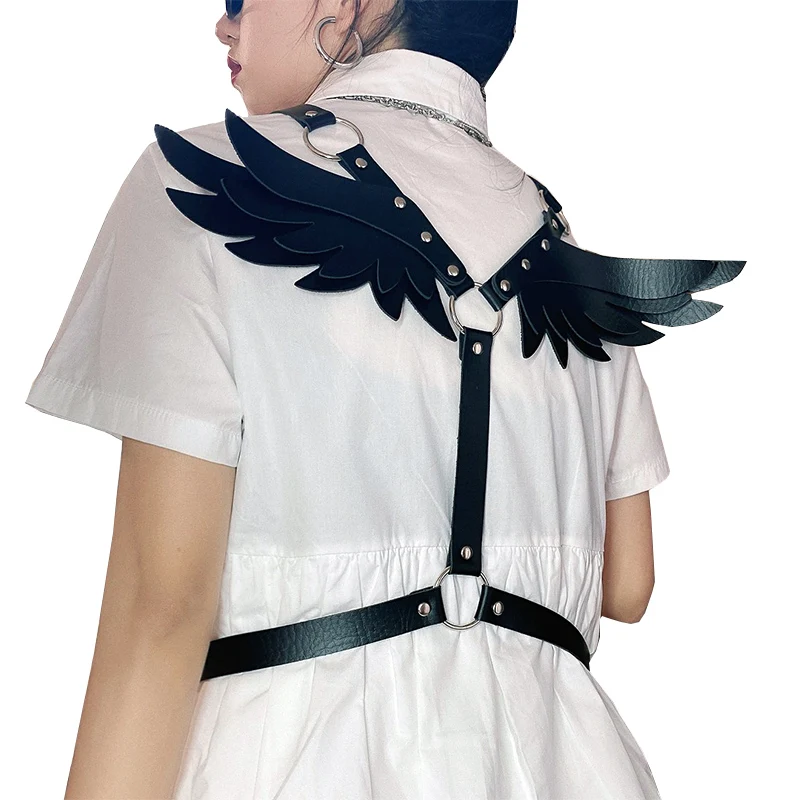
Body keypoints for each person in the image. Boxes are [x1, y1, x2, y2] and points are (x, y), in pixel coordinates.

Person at [25, 1, 732, 798]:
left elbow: (162, 605)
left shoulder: (199, 177)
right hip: (564, 764)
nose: (224, 23)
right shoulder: (560, 240)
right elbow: (628, 582)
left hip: (295, 762)